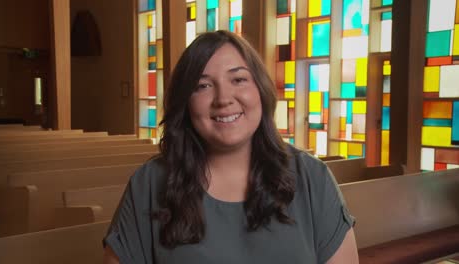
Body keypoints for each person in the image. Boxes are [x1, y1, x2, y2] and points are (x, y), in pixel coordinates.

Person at [103, 30, 359, 264]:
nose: (223, 99)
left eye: (238, 79)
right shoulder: (148, 184)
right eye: (202, 86)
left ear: (260, 89)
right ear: (185, 102)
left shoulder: (312, 177)